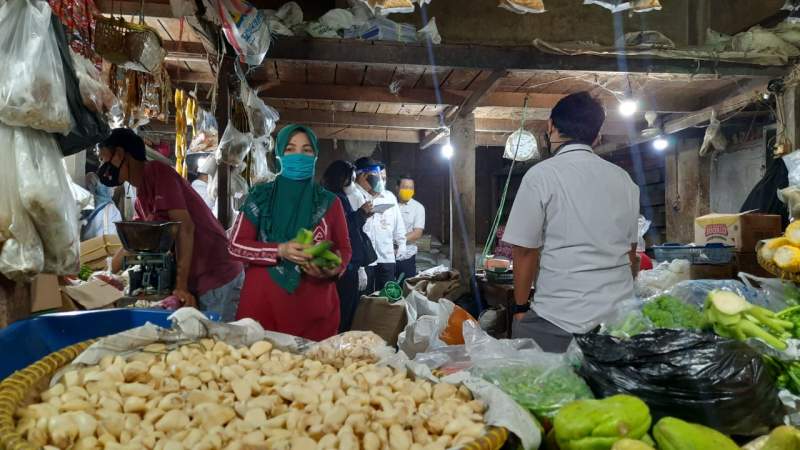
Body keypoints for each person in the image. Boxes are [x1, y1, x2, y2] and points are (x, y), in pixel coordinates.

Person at [502, 91, 640, 353]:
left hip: (557, 319)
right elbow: (631, 254)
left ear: (551, 126)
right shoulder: (625, 180)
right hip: (618, 324)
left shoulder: (541, 175)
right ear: (596, 135)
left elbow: (524, 250)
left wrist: (520, 308)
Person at [100, 128, 244, 321]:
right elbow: (134, 241)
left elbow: (185, 227)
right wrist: (106, 272)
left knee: (215, 343)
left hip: (216, 276)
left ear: (119, 155)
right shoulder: (141, 198)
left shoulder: (158, 173)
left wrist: (181, 286)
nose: (103, 166)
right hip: (197, 279)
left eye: (104, 159)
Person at [229, 125, 352, 340]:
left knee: (314, 369)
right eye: (290, 149)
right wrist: (279, 250)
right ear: (279, 155)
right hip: (262, 308)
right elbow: (235, 245)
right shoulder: (260, 197)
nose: (298, 155)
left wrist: (333, 268)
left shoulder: (330, 202)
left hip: (314, 308)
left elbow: (345, 249)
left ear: (315, 155)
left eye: (306, 150)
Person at [322, 160, 376, 332]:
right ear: (341, 179)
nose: (352, 184)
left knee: (345, 311)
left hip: (347, 264)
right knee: (343, 312)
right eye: (351, 180)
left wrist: (362, 216)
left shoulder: (339, 197)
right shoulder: (334, 198)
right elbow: (342, 228)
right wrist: (361, 213)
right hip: (344, 265)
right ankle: (338, 346)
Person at [354, 157, 406, 294]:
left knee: (386, 297)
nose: (380, 181)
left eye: (383, 178)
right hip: (367, 261)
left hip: (386, 256)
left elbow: (398, 224)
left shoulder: (389, 197)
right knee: (366, 299)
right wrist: (360, 267)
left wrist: (401, 243)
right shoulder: (357, 197)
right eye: (377, 177)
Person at [395, 175, 425, 278]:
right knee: (387, 289)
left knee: (405, 287)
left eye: (411, 188)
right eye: (405, 187)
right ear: (397, 188)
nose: (408, 190)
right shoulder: (390, 204)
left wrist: (397, 242)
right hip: (387, 255)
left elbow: (417, 233)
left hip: (407, 255)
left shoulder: (418, 207)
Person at [81, 172, 123, 241]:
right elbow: (115, 238)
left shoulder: (85, 210)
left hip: (87, 249)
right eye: (111, 186)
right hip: (103, 248)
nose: (114, 188)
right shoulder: (111, 209)